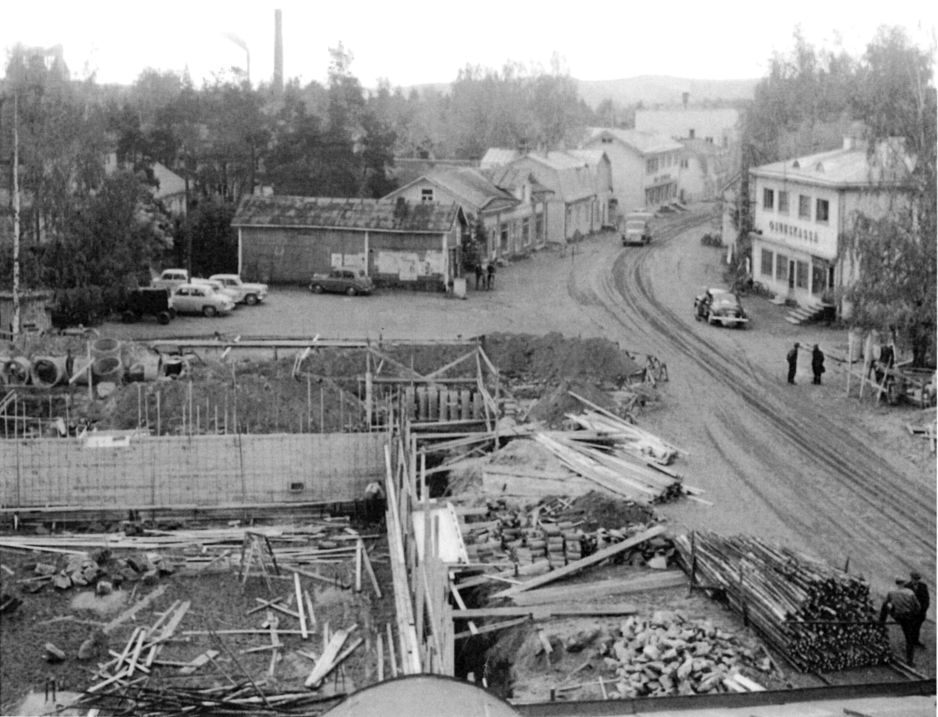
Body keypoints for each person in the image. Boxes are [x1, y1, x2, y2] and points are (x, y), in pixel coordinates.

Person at [880, 577, 921, 665]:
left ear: (896, 583)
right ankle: (909, 661)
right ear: (904, 583)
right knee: (909, 639)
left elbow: (885, 603)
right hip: (907, 618)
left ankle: (881, 622)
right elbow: (918, 607)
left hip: (897, 616)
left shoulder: (891, 592)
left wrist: (892, 607)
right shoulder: (910, 593)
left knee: (885, 605)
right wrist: (912, 614)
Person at [907, 571, 930, 648]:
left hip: (921, 612)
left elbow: (926, 599)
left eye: (917, 579)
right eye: (914, 579)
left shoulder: (923, 586)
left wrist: (924, 609)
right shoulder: (907, 586)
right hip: (911, 612)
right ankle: (909, 643)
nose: (916, 581)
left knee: (917, 627)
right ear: (911, 578)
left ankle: (915, 641)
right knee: (910, 627)